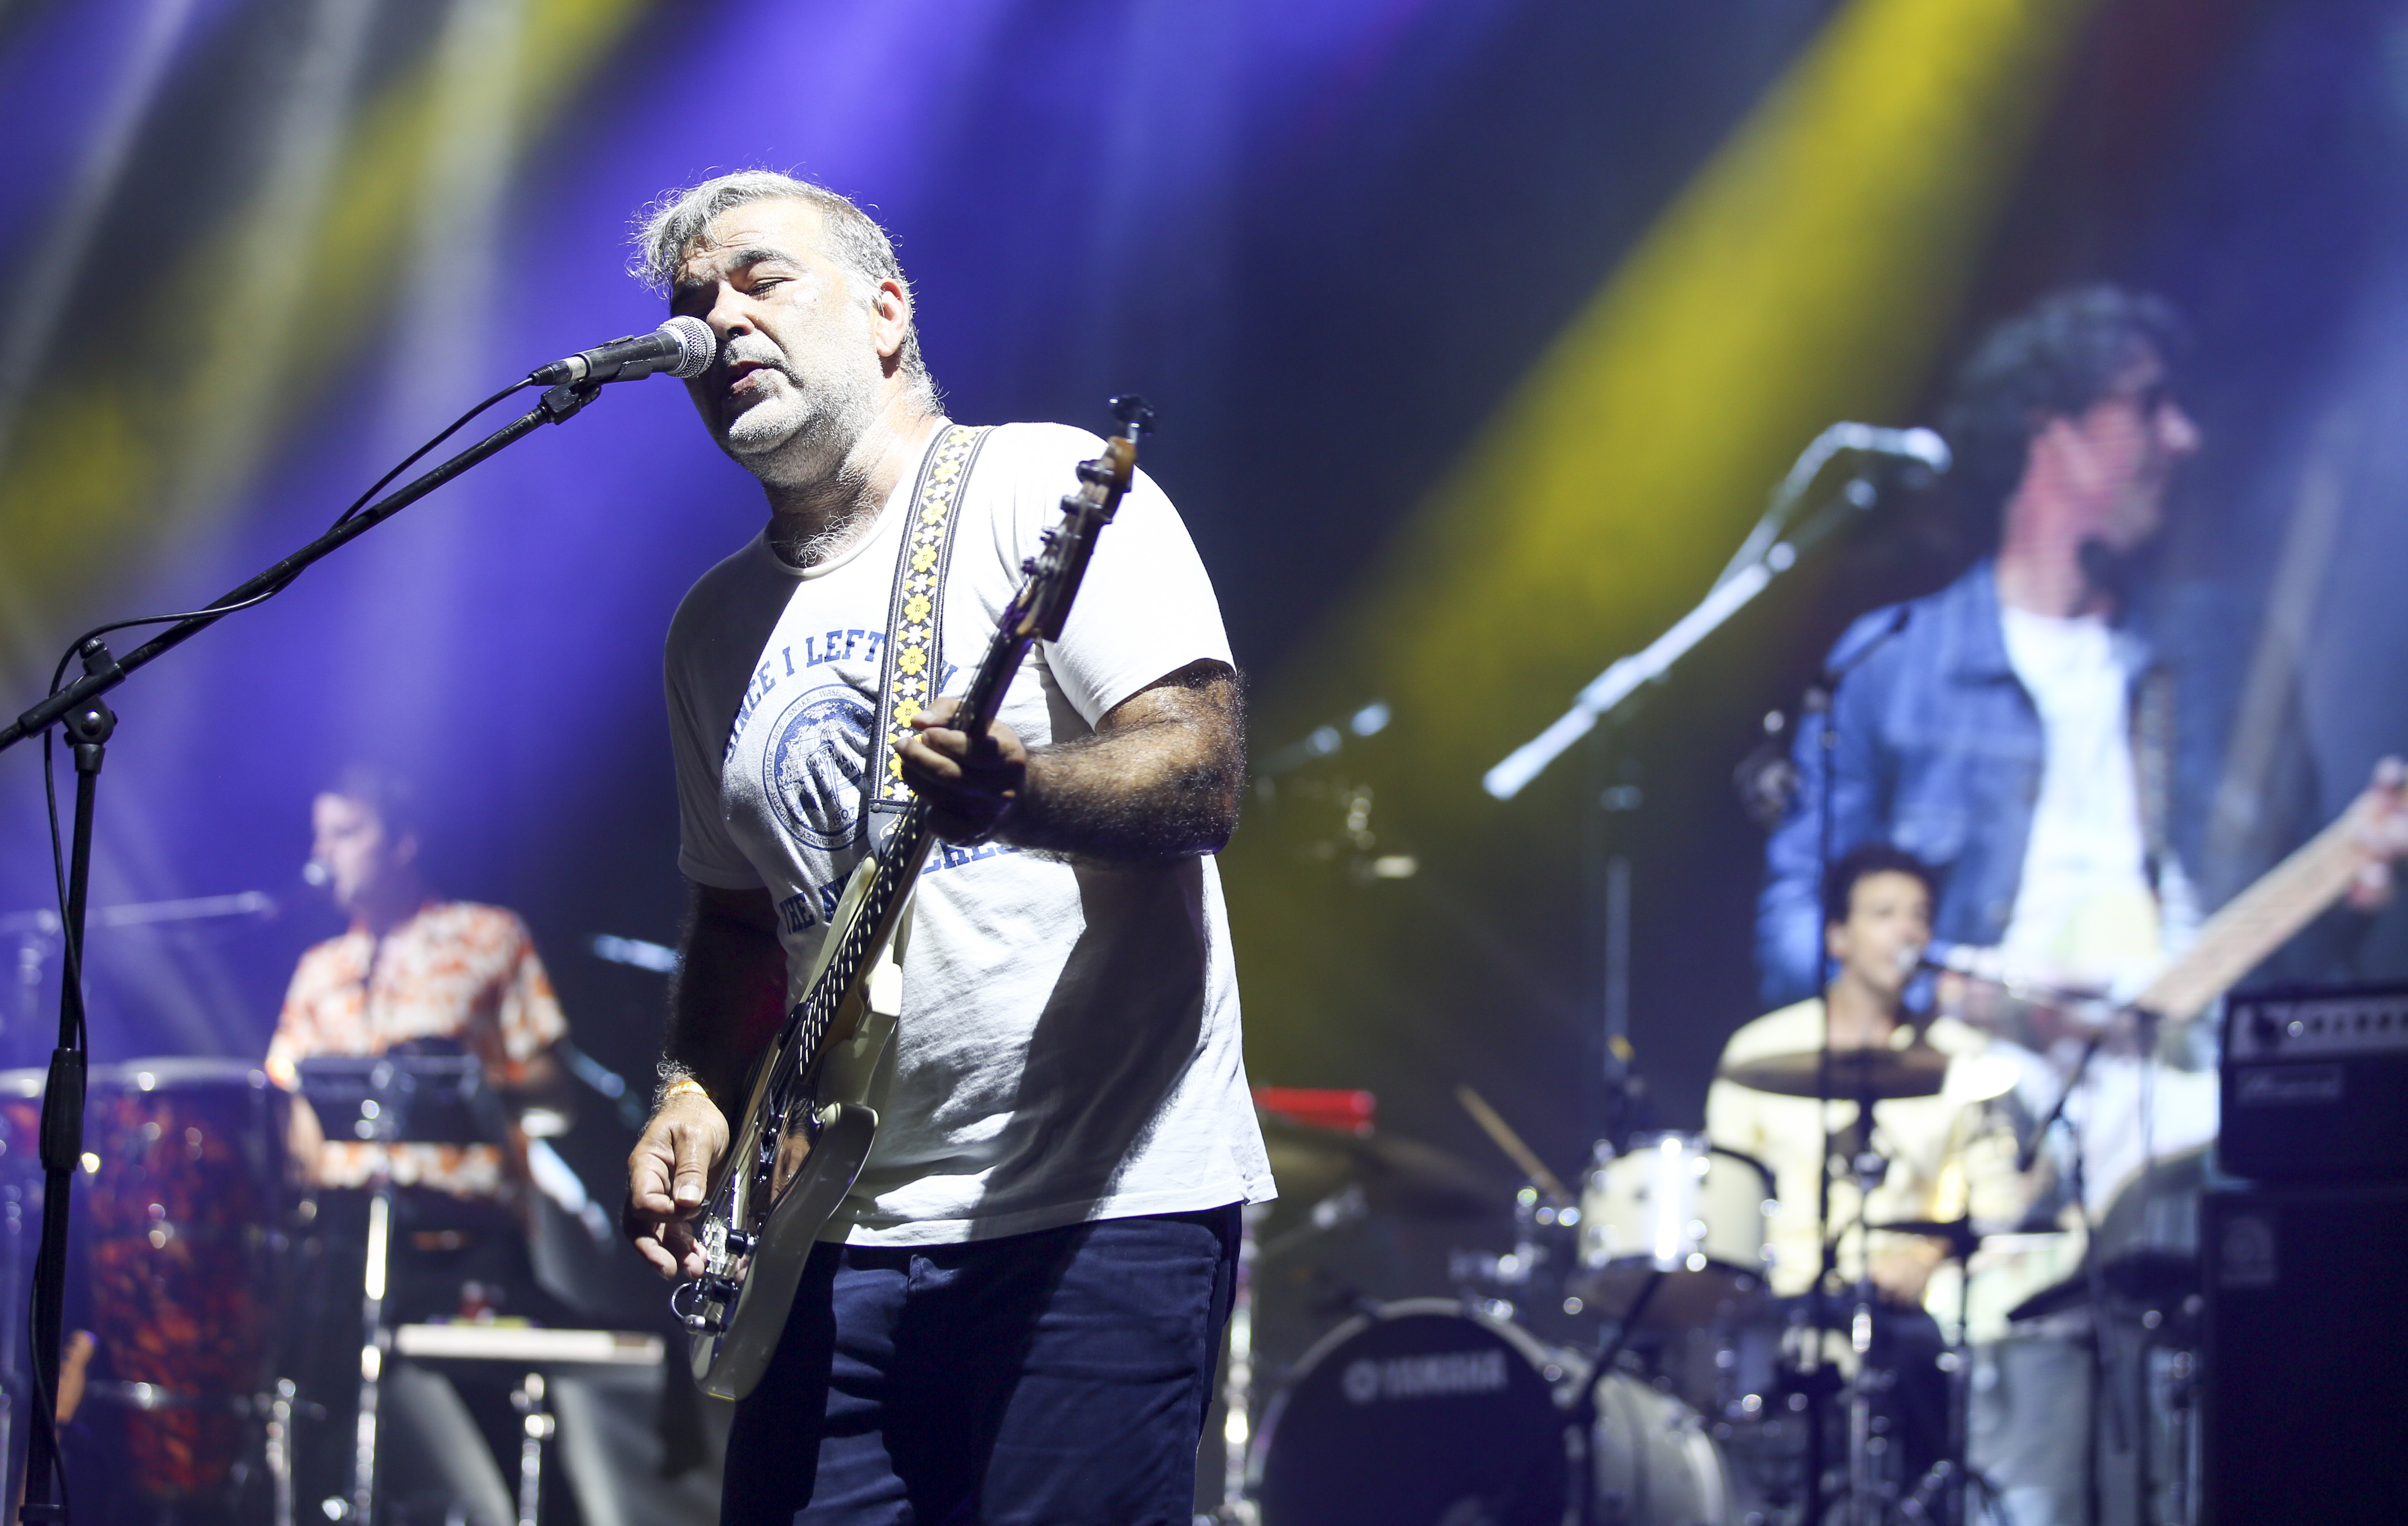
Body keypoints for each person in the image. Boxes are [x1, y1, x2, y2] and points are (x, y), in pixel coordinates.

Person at [616, 171, 1273, 1525]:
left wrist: (1019, 794)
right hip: (822, 1238)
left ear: (885, 312)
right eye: (693, 302)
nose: (718, 321)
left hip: (1093, 1214)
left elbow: (1200, 770)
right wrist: (694, 1087)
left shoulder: (1034, 486)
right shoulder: (709, 629)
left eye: (759, 279)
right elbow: (740, 918)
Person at [1753, 286, 2408, 1525]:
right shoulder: (1895, 662)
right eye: (2148, 406)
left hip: (2199, 1138)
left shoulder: (2223, 652)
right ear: (2048, 429)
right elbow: (1793, 936)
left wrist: (2352, 888)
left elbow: (2303, 983)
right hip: (1989, 1150)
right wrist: (1979, 999)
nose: (2182, 439)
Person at [266, 764, 586, 1526]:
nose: (326, 853)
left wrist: (463, 1090)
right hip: (348, 1240)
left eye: (347, 832)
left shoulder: (488, 937)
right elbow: (289, 1108)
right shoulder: (319, 971)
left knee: (519, 1439)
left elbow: (557, 1098)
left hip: (466, 1236)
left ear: (402, 841)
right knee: (310, 1425)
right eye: (320, 836)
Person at [1709, 844, 2027, 1493]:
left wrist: (1929, 1253)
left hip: (1907, 1317)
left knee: (1922, 1368)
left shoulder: (1961, 1060)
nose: (1907, 932)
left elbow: (1998, 1204)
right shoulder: (1759, 1052)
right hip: (1784, 1307)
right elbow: (1723, 1200)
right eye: (1884, 914)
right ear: (1837, 937)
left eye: (1920, 916)